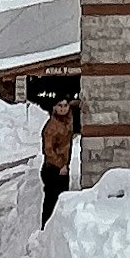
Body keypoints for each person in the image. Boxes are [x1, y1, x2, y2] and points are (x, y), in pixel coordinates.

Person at [38, 93, 75, 228]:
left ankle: (56, 231)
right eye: (60, 106)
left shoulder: (67, 122)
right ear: (54, 107)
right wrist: (60, 166)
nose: (63, 109)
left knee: (61, 201)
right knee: (52, 202)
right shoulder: (52, 126)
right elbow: (48, 150)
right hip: (53, 169)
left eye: (65, 106)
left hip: (63, 168)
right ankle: (45, 229)